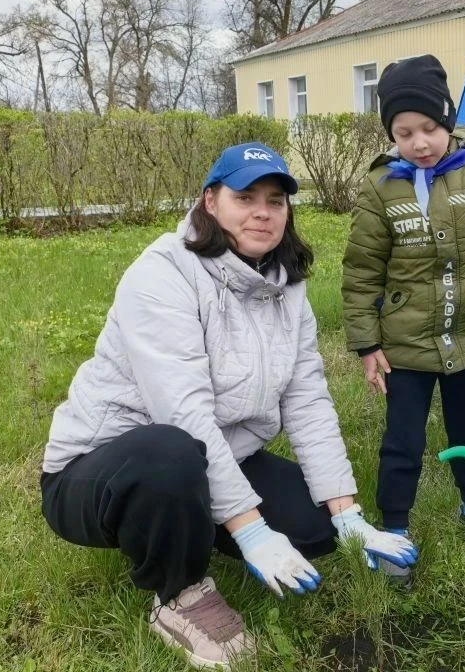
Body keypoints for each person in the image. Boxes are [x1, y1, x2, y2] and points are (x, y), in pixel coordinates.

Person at [41, 143, 417, 670]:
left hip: (214, 456)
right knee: (170, 454)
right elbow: (183, 413)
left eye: (277, 200)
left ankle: (202, 518)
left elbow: (307, 399)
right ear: (210, 202)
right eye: (245, 197)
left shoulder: (287, 287)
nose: (263, 212)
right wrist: (251, 529)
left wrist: (347, 513)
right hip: (104, 470)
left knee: (314, 531)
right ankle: (179, 593)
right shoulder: (162, 276)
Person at [341, 55, 465, 582]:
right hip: (405, 346)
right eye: (404, 132)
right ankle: (396, 528)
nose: (419, 142)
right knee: (402, 439)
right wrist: (366, 345)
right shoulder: (381, 187)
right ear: (391, 134)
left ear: (448, 121)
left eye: (429, 128)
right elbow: (362, 271)